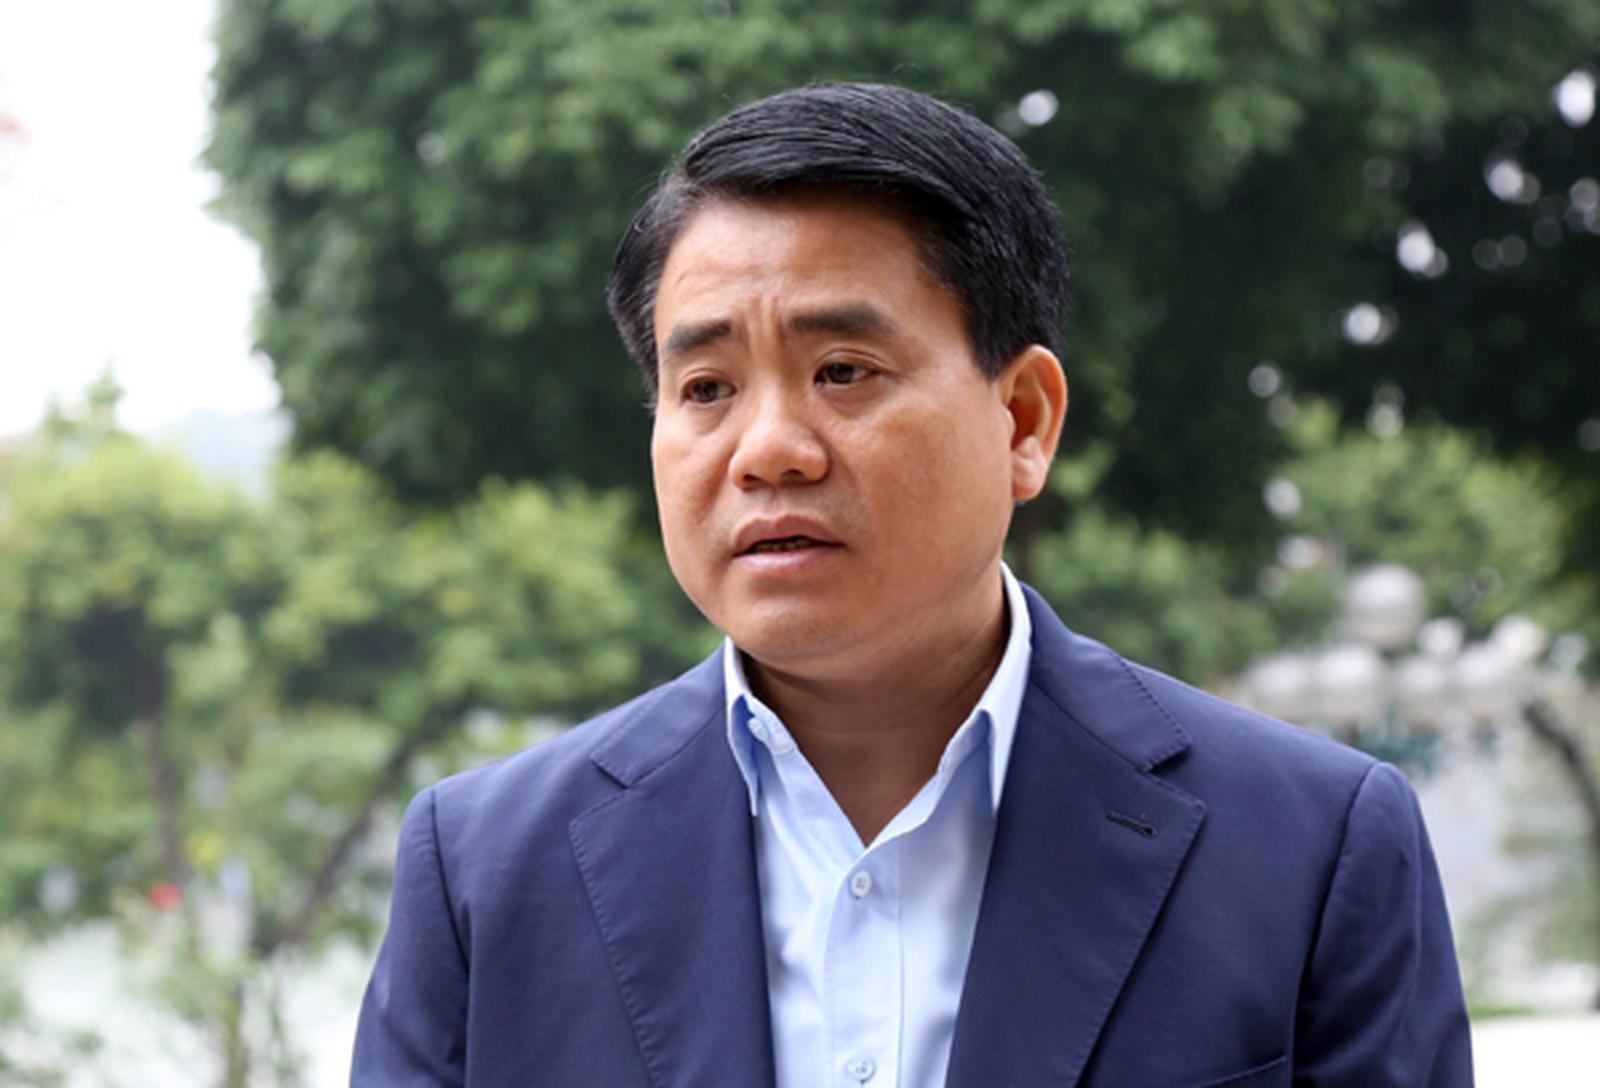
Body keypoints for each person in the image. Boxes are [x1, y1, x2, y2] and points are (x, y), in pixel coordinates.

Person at [352, 82, 1473, 1087]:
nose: (767, 450)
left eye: (843, 370)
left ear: (1022, 419)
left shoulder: (1308, 846)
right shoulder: (486, 869)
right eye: (706, 388)